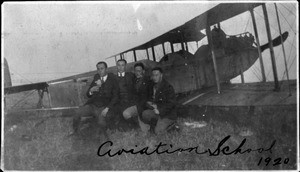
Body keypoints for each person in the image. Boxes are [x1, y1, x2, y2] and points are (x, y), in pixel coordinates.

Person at [70, 61, 119, 138]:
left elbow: (116, 96)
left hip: (104, 106)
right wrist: (91, 91)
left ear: (106, 69)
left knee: (101, 123)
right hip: (92, 105)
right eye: (98, 69)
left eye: (102, 69)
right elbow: (88, 94)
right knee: (77, 112)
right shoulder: (96, 77)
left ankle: (105, 138)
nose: (100, 71)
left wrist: (107, 108)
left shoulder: (112, 79)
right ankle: (75, 132)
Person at [140, 67, 177, 135]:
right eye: (153, 75)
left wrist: (159, 110)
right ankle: (157, 123)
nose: (154, 77)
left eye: (157, 75)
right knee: (145, 114)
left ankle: (172, 125)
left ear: (161, 75)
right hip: (158, 113)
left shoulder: (168, 87)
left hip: (168, 115)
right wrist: (151, 103)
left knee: (158, 132)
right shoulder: (153, 85)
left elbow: (171, 104)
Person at [115, 59, 137, 128]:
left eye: (122, 65)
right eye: (119, 65)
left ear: (125, 66)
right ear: (116, 66)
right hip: (118, 101)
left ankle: (133, 124)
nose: (120, 67)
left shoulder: (131, 76)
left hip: (130, 101)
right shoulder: (113, 78)